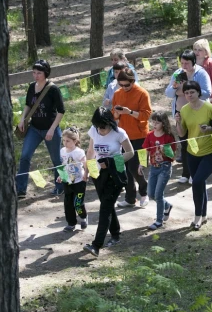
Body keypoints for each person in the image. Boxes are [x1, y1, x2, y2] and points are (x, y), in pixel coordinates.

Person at [83, 108, 135, 257]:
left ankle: (96, 245)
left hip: (116, 173)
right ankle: (116, 234)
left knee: (104, 208)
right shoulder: (93, 131)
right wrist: (87, 171)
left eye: (103, 127)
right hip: (99, 173)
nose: (101, 130)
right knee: (108, 205)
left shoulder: (119, 133)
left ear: (110, 123)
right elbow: (90, 151)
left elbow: (130, 152)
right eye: (98, 126)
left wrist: (111, 161)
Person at [175, 81, 212, 230]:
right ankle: (203, 216)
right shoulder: (184, 110)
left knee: (196, 182)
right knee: (200, 183)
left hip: (211, 151)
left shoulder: (209, 108)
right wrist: (178, 122)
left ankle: (197, 217)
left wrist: (210, 128)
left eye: (192, 92)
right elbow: (182, 133)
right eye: (186, 93)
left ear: (198, 92)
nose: (189, 95)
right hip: (192, 152)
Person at [16, 60, 65, 199]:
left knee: (57, 160)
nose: (36, 76)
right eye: (34, 72)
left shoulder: (53, 89)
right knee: (25, 156)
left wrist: (52, 129)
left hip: (51, 128)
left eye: (39, 73)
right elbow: (27, 105)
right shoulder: (31, 87)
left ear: (46, 74)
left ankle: (61, 186)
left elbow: (61, 111)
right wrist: (22, 119)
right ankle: (20, 189)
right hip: (34, 128)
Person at [165, 50, 212, 184]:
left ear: (194, 62)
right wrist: (176, 87)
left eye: (187, 63)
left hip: (197, 113)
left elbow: (208, 92)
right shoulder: (178, 74)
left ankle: (195, 173)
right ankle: (186, 173)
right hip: (181, 113)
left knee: (195, 142)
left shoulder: (201, 73)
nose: (184, 66)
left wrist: (189, 91)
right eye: (182, 63)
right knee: (184, 144)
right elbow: (168, 93)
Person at [112, 68, 152, 207]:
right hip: (124, 136)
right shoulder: (117, 94)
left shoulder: (142, 93)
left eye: (126, 85)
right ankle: (130, 198)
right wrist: (117, 113)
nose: (124, 88)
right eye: (121, 85)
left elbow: (146, 115)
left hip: (140, 136)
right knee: (124, 168)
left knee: (135, 167)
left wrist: (129, 112)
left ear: (133, 81)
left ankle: (144, 192)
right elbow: (113, 115)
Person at [138, 111, 177, 230]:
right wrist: (141, 164)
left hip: (165, 167)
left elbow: (172, 156)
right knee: (151, 194)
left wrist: (165, 150)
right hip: (153, 168)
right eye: (153, 122)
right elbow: (146, 150)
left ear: (163, 123)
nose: (154, 124)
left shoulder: (168, 136)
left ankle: (159, 220)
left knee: (158, 195)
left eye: (157, 122)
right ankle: (167, 206)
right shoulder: (150, 135)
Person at [57, 127, 88, 231]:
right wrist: (61, 176)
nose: (65, 143)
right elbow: (64, 164)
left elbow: (85, 164)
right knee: (68, 202)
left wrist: (86, 174)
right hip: (67, 181)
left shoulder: (79, 152)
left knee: (78, 202)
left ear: (75, 141)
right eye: (64, 140)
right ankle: (71, 223)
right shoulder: (62, 151)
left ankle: (83, 217)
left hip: (79, 181)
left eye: (68, 141)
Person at [193, 38, 212, 106]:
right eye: (195, 49)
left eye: (200, 50)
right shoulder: (191, 62)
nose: (197, 52)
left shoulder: (211, 63)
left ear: (206, 51)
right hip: (196, 99)